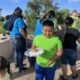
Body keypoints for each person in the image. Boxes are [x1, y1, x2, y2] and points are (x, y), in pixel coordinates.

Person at [10, 7, 27, 73]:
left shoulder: (12, 19)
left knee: (16, 52)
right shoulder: (19, 19)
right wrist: (26, 38)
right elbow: (21, 30)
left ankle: (17, 64)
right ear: (20, 13)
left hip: (12, 38)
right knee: (21, 53)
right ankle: (21, 69)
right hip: (18, 38)